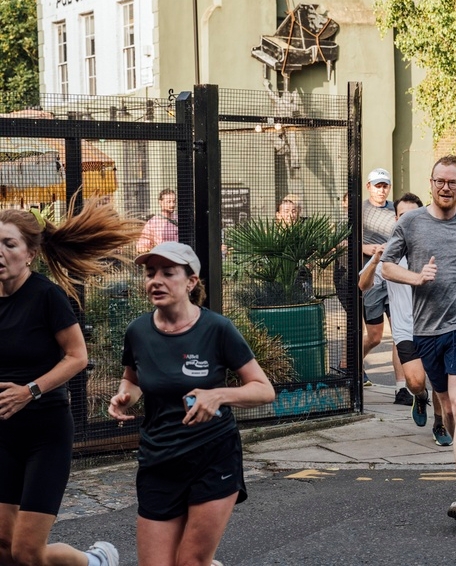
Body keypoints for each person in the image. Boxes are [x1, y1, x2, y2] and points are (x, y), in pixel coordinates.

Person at [108, 242, 275, 566]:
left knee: (191, 561)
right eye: (150, 273)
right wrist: (124, 397)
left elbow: (264, 390)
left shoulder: (217, 329)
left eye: (168, 273)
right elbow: (133, 379)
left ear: (191, 281)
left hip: (212, 455)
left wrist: (219, 394)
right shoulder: (138, 331)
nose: (156, 281)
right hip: (159, 458)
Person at [0, 200, 142, 566]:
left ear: (30, 254)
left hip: (45, 433)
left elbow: (77, 357)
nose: (0, 252)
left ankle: (96, 561)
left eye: (9, 244)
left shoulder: (47, 296)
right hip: (3, 433)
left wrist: (29, 391)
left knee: (27, 552)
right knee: (3, 547)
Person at [381, 155, 456, 522]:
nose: (446, 187)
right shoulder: (411, 223)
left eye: (453, 182)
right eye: (440, 181)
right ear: (431, 184)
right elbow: (387, 265)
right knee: (446, 408)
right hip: (426, 330)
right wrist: (416, 277)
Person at [358, 194, 453, 446]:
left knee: (440, 380)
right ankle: (420, 397)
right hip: (405, 331)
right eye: (402, 216)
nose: (408, 220)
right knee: (415, 381)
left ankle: (439, 423)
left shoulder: (436, 246)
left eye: (413, 215)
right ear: (396, 219)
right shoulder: (390, 252)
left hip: (435, 326)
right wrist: (375, 260)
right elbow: (363, 285)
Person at [361, 168, 406, 395]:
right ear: (369, 186)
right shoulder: (360, 210)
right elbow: (344, 242)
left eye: (385, 186)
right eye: (377, 186)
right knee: (375, 336)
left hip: (394, 276)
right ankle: (350, 365)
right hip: (372, 279)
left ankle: (401, 388)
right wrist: (367, 248)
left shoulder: (395, 209)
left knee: (400, 333)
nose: (381, 190)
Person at [136, 188, 179, 253]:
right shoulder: (153, 222)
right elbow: (141, 246)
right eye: (169, 202)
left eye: (174, 201)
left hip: (179, 256)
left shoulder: (179, 219)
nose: (172, 205)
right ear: (160, 202)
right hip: (162, 256)